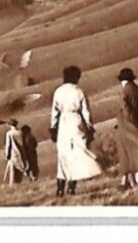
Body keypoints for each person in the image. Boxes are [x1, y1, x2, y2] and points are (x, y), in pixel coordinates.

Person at [50, 65, 102, 197]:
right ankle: (72, 187)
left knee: (63, 155)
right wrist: (89, 127)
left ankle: (60, 188)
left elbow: (54, 112)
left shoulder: (58, 91)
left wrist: (53, 127)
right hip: (76, 121)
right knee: (78, 153)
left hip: (63, 123)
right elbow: (86, 112)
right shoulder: (79, 91)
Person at [115, 67, 138, 188]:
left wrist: (130, 119)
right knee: (133, 153)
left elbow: (124, 108)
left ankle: (126, 181)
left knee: (125, 154)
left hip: (126, 125)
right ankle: (130, 181)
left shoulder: (124, 91)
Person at [3, 119, 26, 185]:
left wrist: (7, 155)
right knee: (20, 173)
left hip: (13, 155)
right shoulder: (21, 132)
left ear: (10, 125)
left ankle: (13, 187)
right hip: (22, 155)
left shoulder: (9, 134)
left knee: (12, 174)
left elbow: (8, 145)